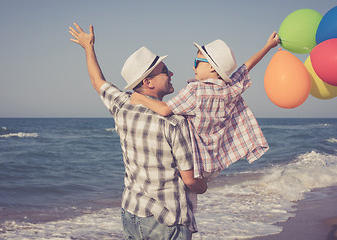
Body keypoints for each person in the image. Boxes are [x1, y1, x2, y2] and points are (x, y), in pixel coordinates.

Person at [69, 23, 207, 240]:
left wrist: (88, 48)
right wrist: (203, 186)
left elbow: (98, 82)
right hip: (167, 220)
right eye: (164, 71)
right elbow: (189, 180)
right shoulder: (173, 121)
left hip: (132, 213)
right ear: (147, 81)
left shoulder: (122, 106)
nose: (171, 73)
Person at [131, 32, 280, 180]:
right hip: (216, 163)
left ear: (211, 68)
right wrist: (268, 46)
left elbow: (164, 110)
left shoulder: (196, 91)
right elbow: (246, 67)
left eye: (196, 62)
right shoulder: (229, 89)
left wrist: (140, 98)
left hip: (197, 163)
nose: (193, 67)